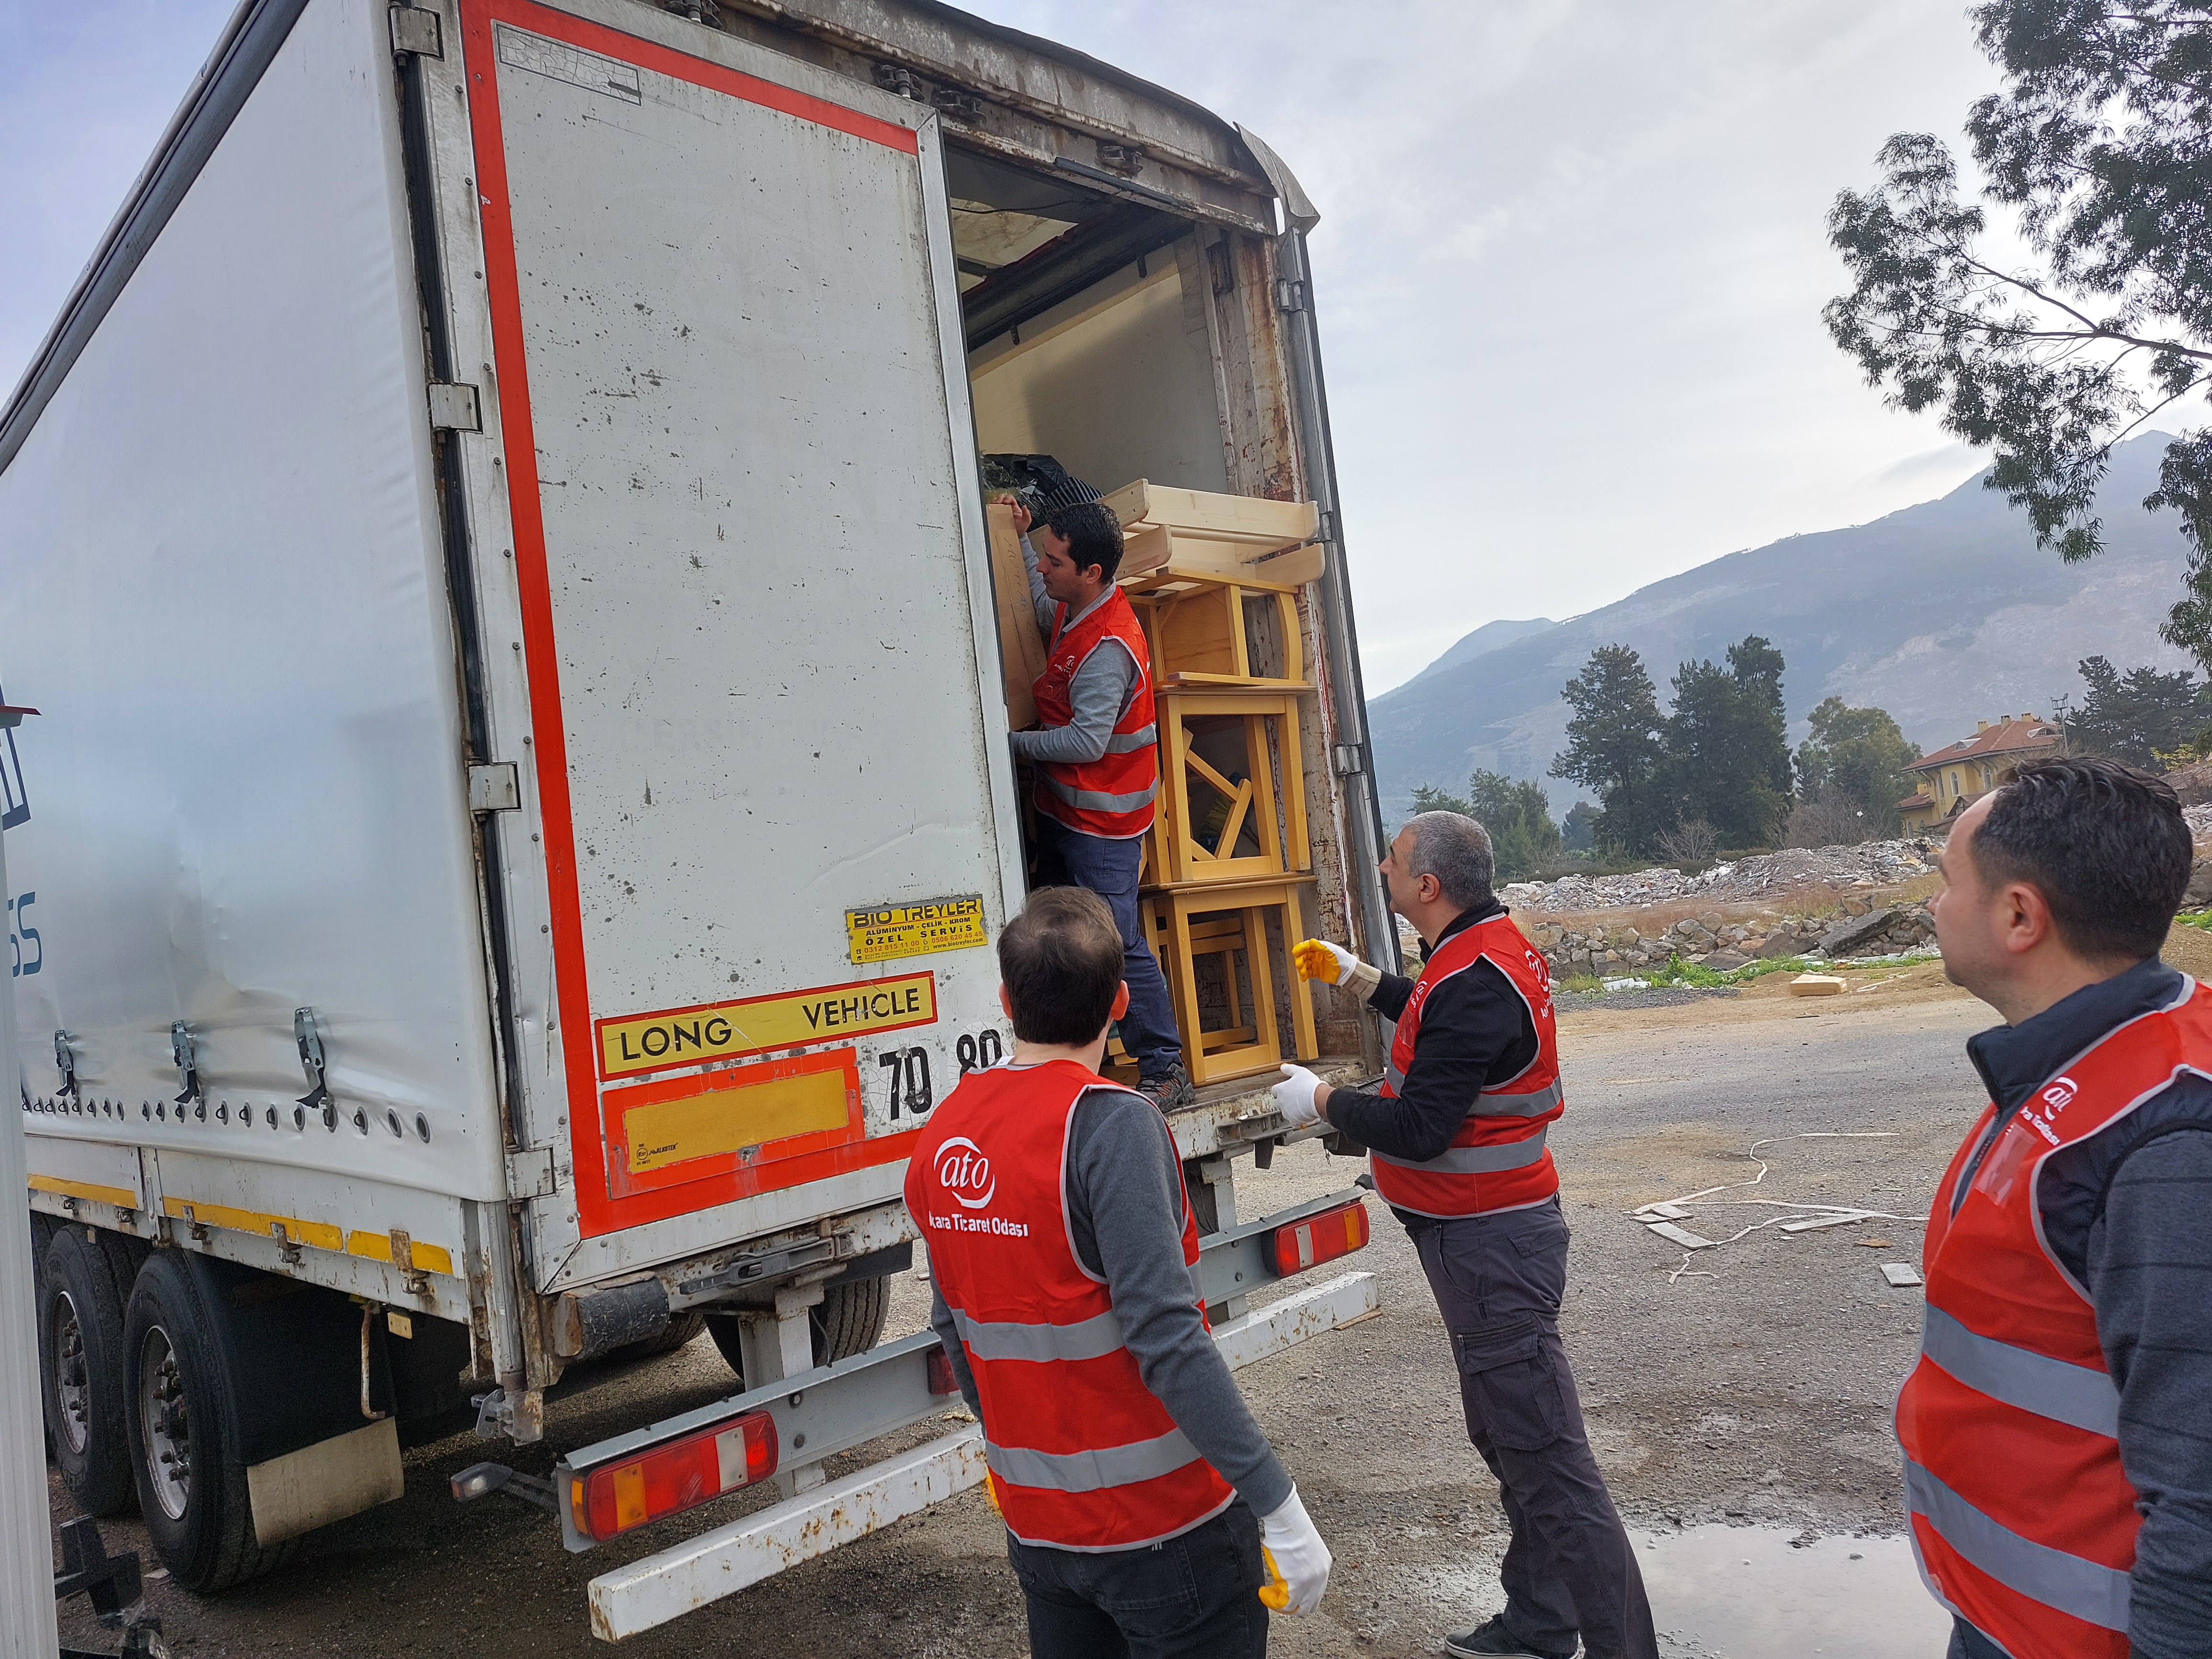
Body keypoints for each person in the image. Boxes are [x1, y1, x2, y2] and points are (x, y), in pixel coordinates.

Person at [1273, 810, 1658, 1659]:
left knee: (1548, 1461)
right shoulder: (1481, 947)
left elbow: (1421, 1126)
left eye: (1393, 860)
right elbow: (1442, 1023)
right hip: (1485, 1239)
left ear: (1428, 885)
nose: (1381, 867)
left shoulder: (1472, 978)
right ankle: (1540, 1625)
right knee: (1512, 1440)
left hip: (1491, 1246)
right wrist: (1363, 980)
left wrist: (1322, 1102)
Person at [907, 886, 1329, 1657]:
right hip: (1167, 1534)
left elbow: (953, 1324)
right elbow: (1167, 1337)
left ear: (1006, 1001)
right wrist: (1278, 1502)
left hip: (1043, 1536)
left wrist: (1015, 1458)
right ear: (1122, 1003)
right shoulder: (1113, 1126)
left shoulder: (946, 1132)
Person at [1897, 757, 2212, 1659]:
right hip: (2012, 1617)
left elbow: (2201, 1494)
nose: (1934, 906)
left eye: (1948, 882)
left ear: (2020, 917)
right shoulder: (2083, 1065)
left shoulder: (2168, 1140)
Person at [997, 491, 1190, 1111]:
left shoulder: (1109, 646)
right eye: (1045, 555)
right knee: (1052, 936)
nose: (1044, 568)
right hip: (1066, 808)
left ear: (1092, 573)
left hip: (1104, 822)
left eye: (1054, 561)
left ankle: (1164, 1065)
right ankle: (1069, 1058)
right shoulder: (1075, 604)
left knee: (1115, 942)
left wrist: (1007, 746)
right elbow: (1036, 602)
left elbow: (1086, 742)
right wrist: (1019, 537)